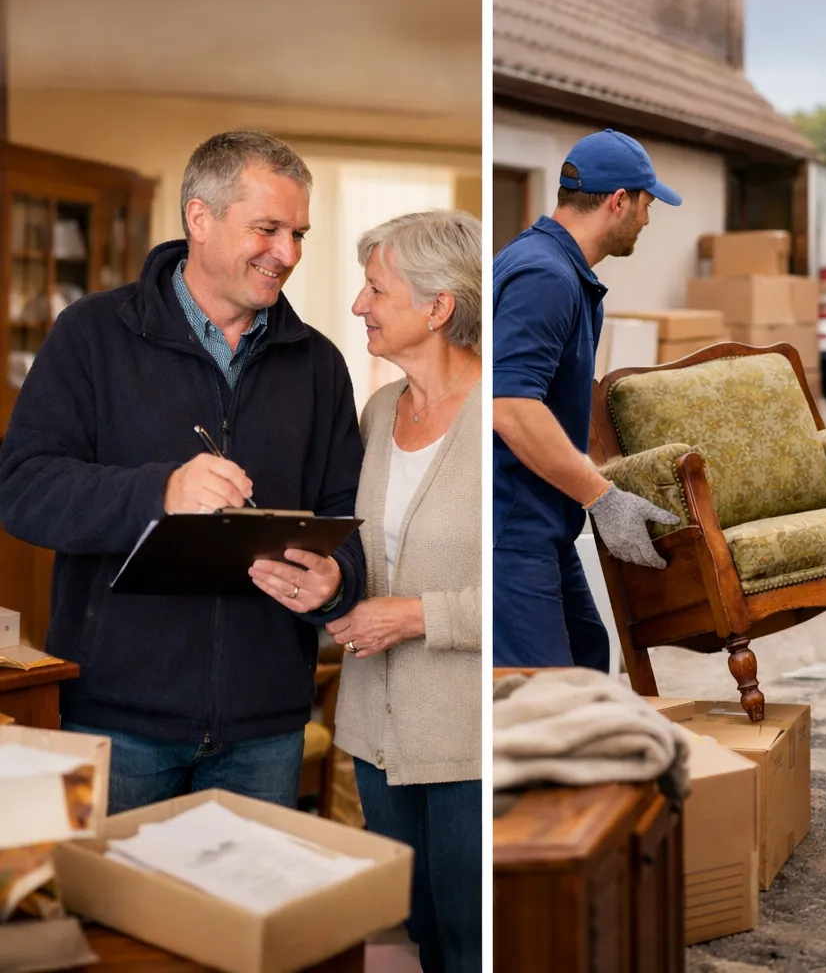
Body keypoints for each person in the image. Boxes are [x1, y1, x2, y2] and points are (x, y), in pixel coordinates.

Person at [0, 130, 365, 811]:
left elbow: (348, 516)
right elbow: (21, 489)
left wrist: (339, 578)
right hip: (113, 721)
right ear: (200, 218)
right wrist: (159, 491)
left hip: (267, 731)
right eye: (268, 228)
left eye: (299, 233)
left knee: (251, 919)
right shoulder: (90, 334)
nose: (288, 254)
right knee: (110, 918)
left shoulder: (319, 366)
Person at [326, 210, 482, 973]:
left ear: (437, 307)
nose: (360, 304)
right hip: (375, 732)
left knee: (470, 942)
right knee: (419, 934)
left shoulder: (500, 422)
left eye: (376, 289)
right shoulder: (380, 410)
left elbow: (526, 587)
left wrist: (419, 616)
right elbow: (361, 557)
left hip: (466, 738)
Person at [491, 128, 682, 669]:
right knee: (549, 706)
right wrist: (602, 497)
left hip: (542, 522)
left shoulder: (549, 265)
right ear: (619, 201)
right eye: (647, 205)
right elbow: (510, 406)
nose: (646, 219)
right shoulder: (545, 276)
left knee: (588, 663)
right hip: (511, 530)